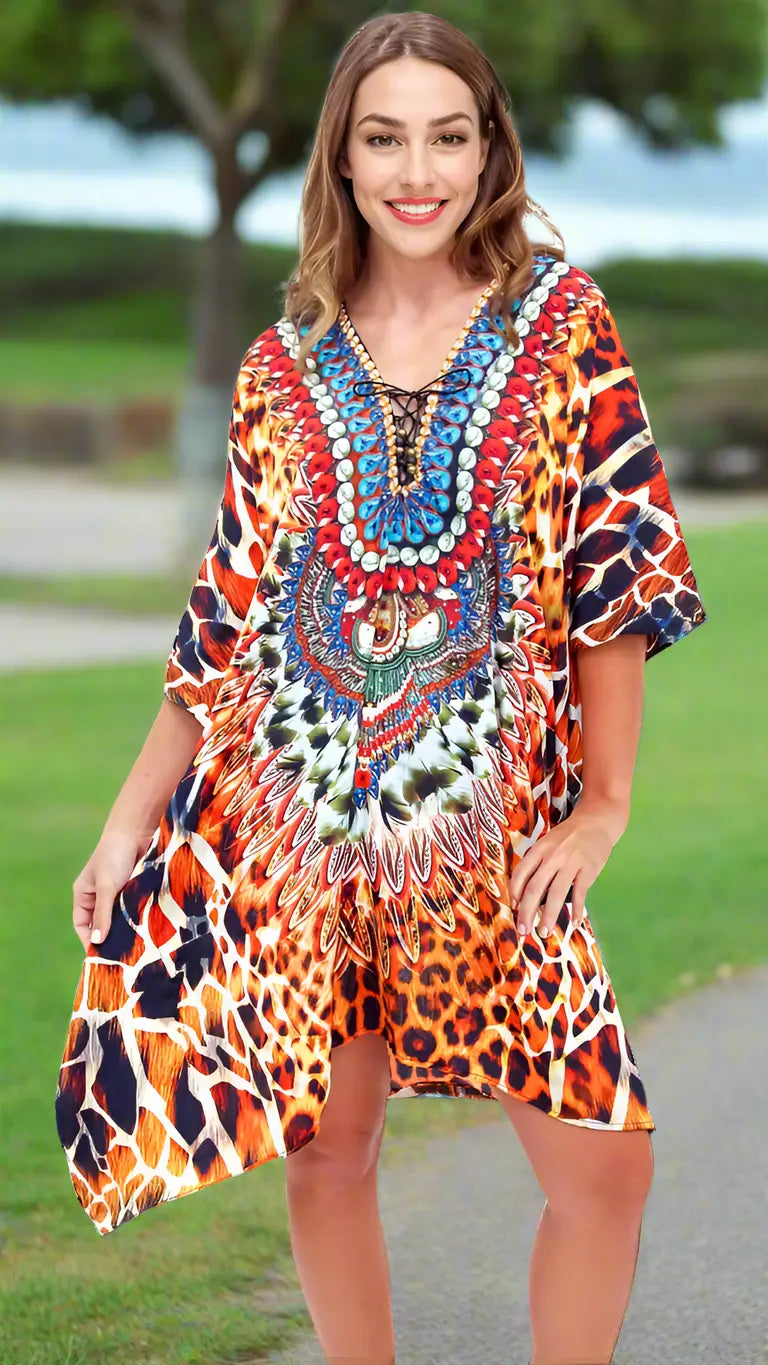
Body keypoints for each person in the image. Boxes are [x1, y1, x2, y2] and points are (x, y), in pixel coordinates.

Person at [55, 11, 707, 1365]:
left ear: (490, 152)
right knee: (330, 1148)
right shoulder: (279, 371)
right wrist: (129, 819)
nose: (419, 169)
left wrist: (604, 804)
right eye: (384, 136)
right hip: (310, 831)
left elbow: (616, 573)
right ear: (341, 162)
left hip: (504, 839)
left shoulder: (565, 325)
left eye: (448, 136)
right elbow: (225, 619)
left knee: (604, 1164)